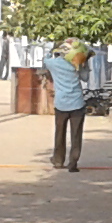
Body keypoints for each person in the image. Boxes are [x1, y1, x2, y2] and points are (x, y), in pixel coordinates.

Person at [45, 39, 91, 171]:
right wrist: (85, 62)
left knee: (59, 133)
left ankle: (58, 160)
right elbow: (85, 78)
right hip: (77, 103)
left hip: (61, 103)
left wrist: (52, 51)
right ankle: (73, 163)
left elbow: (45, 59)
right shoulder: (76, 64)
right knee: (76, 135)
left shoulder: (53, 64)